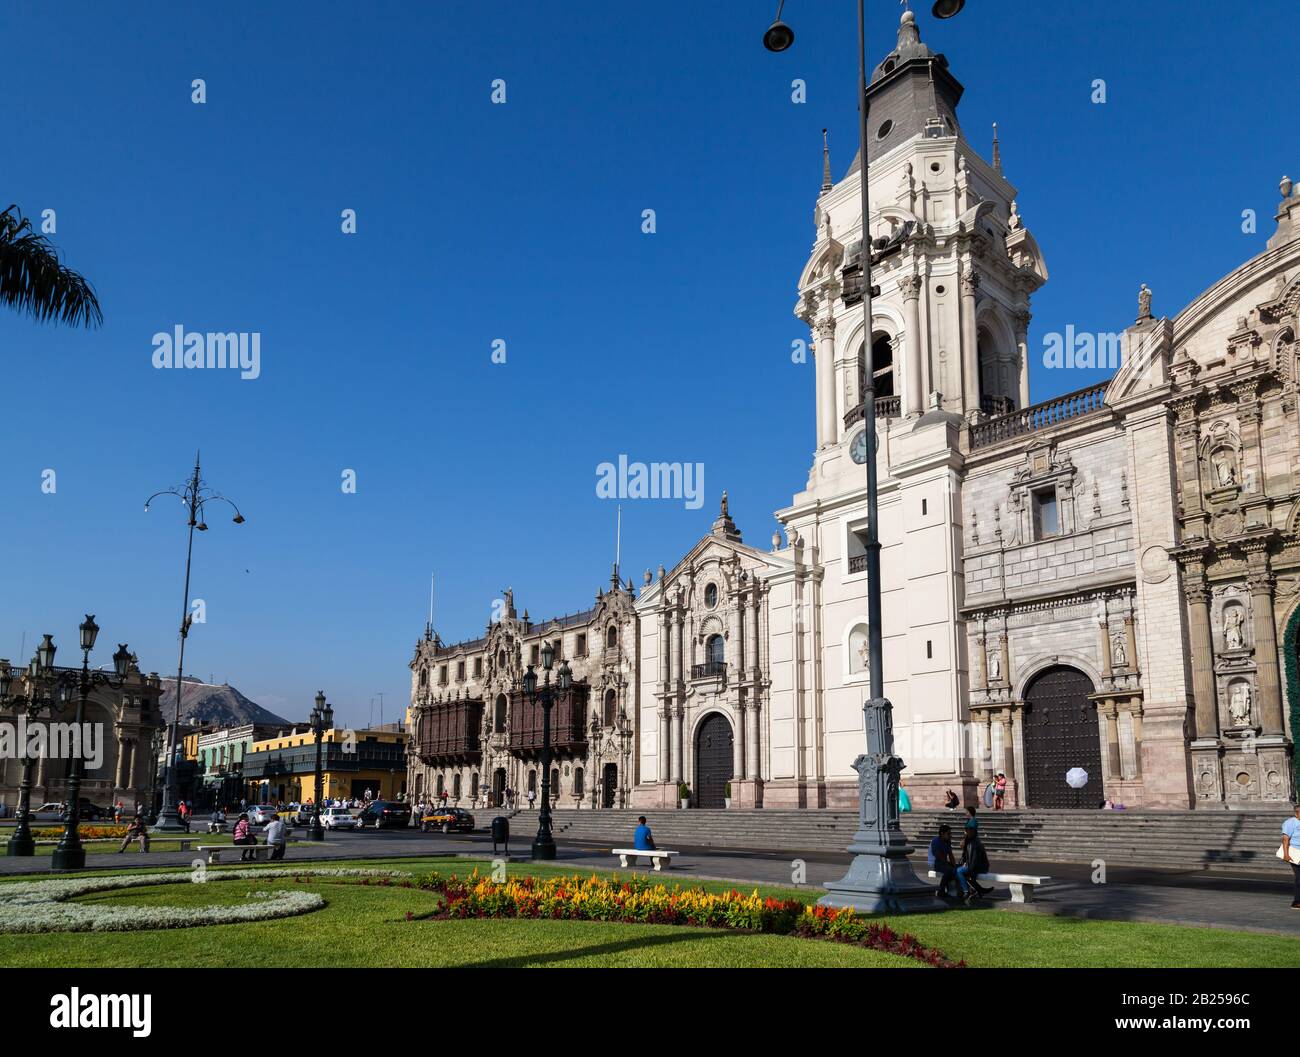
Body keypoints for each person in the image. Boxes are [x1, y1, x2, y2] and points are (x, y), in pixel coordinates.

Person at [958, 824, 992, 903]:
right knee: (958, 871)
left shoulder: (974, 843)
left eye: (967, 831)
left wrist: (969, 870)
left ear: (973, 832)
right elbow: (966, 857)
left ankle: (966, 891)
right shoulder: (970, 841)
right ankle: (979, 890)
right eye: (965, 831)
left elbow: (974, 860)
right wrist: (964, 863)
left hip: (979, 867)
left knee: (959, 871)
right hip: (973, 865)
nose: (965, 833)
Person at [928, 823, 958, 898]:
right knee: (949, 870)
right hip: (934, 863)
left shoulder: (947, 841)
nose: (950, 835)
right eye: (948, 833)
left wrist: (954, 865)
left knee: (957, 869)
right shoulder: (935, 842)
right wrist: (950, 866)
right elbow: (939, 856)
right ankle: (941, 890)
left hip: (942, 862)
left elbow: (950, 855)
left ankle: (951, 889)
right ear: (942, 833)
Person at [1282, 802, 1300, 910]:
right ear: (1296, 813)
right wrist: (1286, 854)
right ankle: (1296, 901)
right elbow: (1285, 840)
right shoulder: (1290, 823)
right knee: (1299, 878)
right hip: (1294, 853)